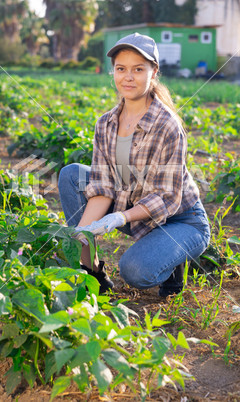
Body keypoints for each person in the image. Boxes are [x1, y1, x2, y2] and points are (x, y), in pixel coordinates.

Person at [58, 32, 210, 296]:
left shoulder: (167, 125)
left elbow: (166, 198)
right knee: (72, 175)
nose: (128, 77)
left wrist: (120, 217)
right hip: (132, 202)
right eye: (121, 69)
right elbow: (103, 186)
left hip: (180, 219)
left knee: (135, 271)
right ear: (113, 72)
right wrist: (82, 232)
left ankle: (173, 260)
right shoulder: (106, 123)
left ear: (153, 72)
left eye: (138, 69)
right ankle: (92, 274)